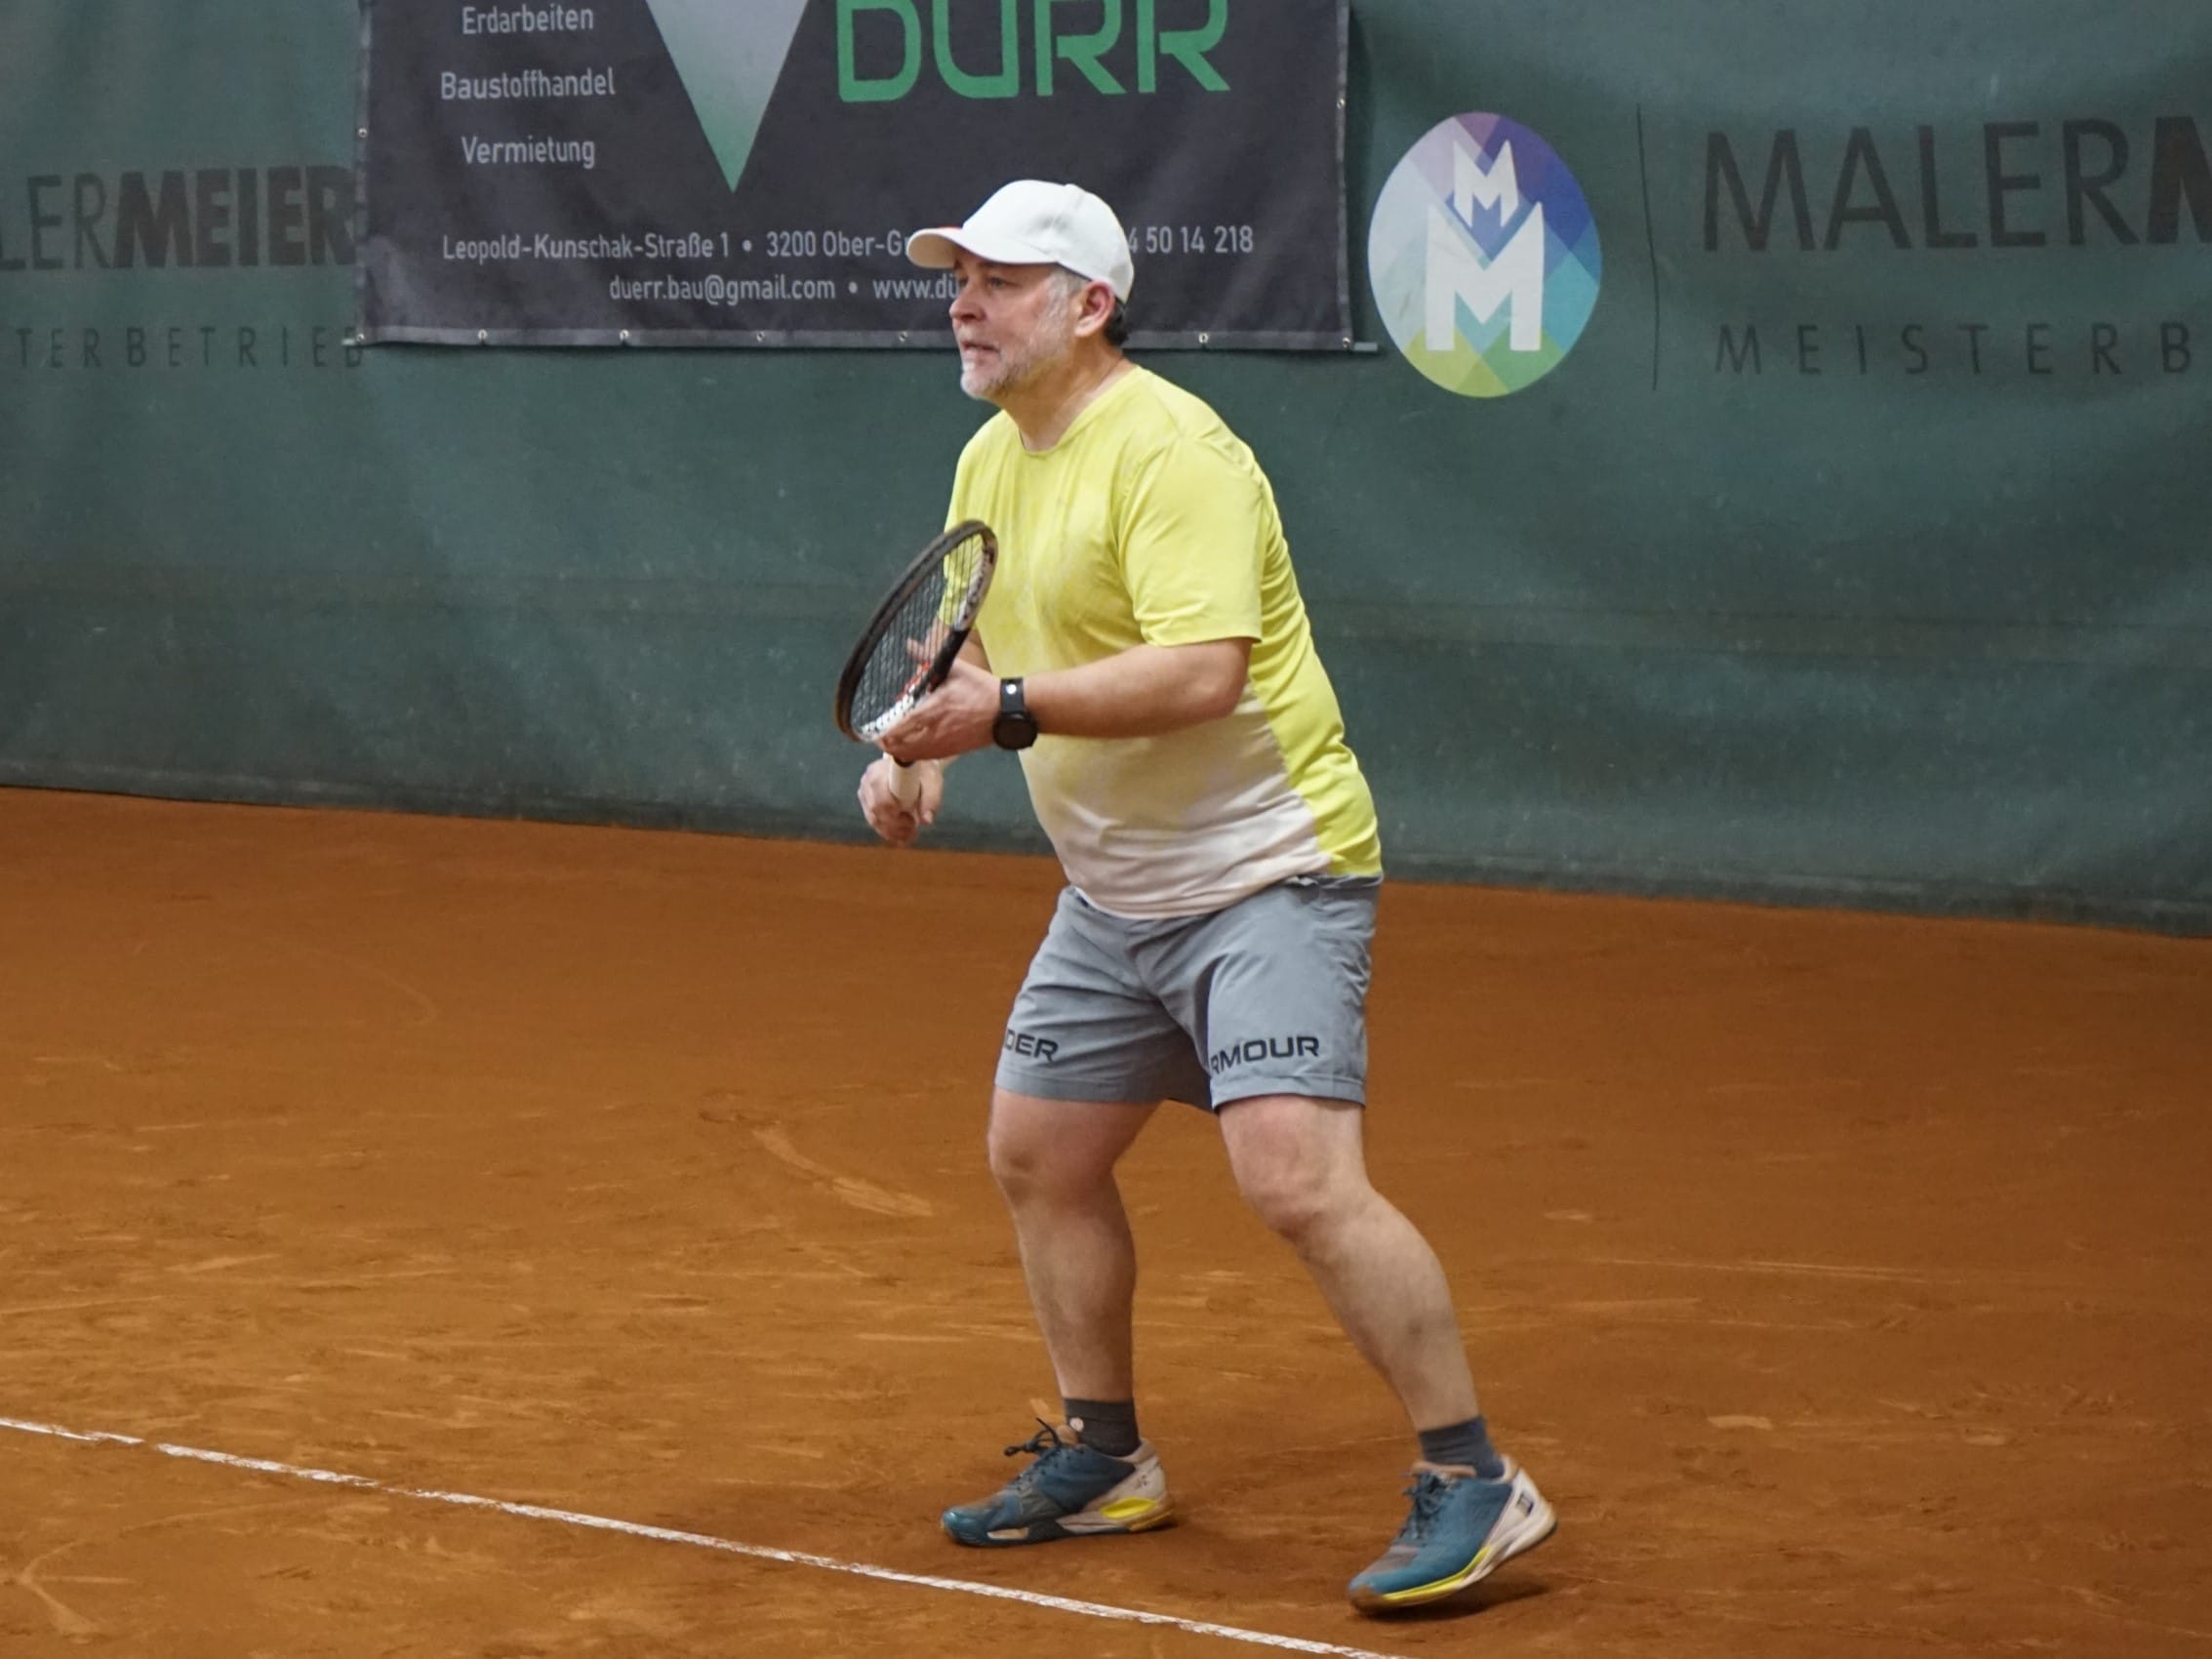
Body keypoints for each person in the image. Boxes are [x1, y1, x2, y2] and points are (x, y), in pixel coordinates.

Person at [856, 179, 1554, 1615]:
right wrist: (915, 755)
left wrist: (1002, 713)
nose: (964, 305)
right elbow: (962, 647)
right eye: (959, 279)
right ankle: (1106, 1457)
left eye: (999, 281)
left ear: (1090, 305)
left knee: (1294, 1179)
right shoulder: (989, 456)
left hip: (1269, 874)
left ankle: (1477, 1478)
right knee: (1040, 1155)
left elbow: (1201, 673)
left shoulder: (1177, 454)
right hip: (1114, 894)